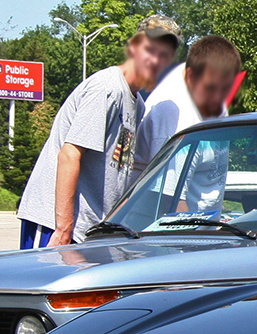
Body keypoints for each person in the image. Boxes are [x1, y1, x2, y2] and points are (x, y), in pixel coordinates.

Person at [16, 14, 180, 247]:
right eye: (151, 50)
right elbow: (69, 154)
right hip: (56, 227)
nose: (156, 60)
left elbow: (119, 168)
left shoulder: (137, 105)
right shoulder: (107, 89)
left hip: (91, 232)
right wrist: (63, 230)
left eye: (165, 55)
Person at [132, 35, 242, 214]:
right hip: (171, 229)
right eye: (212, 88)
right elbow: (169, 202)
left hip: (204, 229)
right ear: (190, 76)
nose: (219, 98)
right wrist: (196, 235)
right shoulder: (176, 120)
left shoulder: (215, 100)